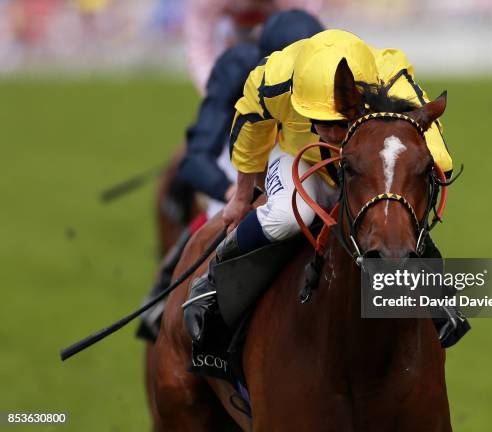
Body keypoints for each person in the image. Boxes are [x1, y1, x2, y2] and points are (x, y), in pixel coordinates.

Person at [183, 29, 470, 348]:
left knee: (397, 199)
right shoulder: (274, 77)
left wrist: (434, 168)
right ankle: (212, 280)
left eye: (339, 122)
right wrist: (239, 198)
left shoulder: (389, 74)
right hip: (297, 154)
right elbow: (251, 129)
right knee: (290, 215)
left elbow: (429, 137)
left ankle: (434, 291)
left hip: (368, 156)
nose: (333, 133)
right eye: (320, 121)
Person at [137, 10, 324, 341]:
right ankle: (187, 300)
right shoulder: (240, 67)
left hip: (308, 149)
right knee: (224, 221)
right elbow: (196, 159)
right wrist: (231, 194)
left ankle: (421, 301)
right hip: (242, 152)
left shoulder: (335, 65)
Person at [185, 0, 322, 93]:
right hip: (236, 42)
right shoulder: (206, 3)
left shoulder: (299, 5)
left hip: (279, 42)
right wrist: (215, 91)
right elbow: (199, 47)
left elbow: (307, 41)